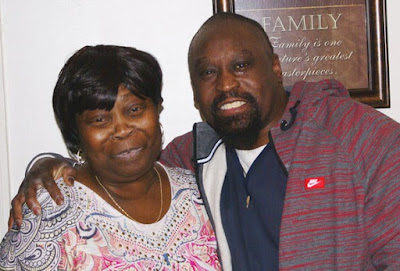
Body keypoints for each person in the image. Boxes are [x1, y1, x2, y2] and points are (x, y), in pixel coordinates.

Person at [8, 13, 400, 270]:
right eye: (208, 72)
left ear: (277, 67)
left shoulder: (362, 140)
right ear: (194, 93)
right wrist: (48, 165)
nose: (226, 84)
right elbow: (121, 162)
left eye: (242, 65)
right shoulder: (191, 158)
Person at [0, 45, 221, 270]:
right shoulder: (47, 216)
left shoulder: (202, 193)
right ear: (76, 132)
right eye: (99, 120)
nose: (122, 129)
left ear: (157, 109)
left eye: (134, 110)